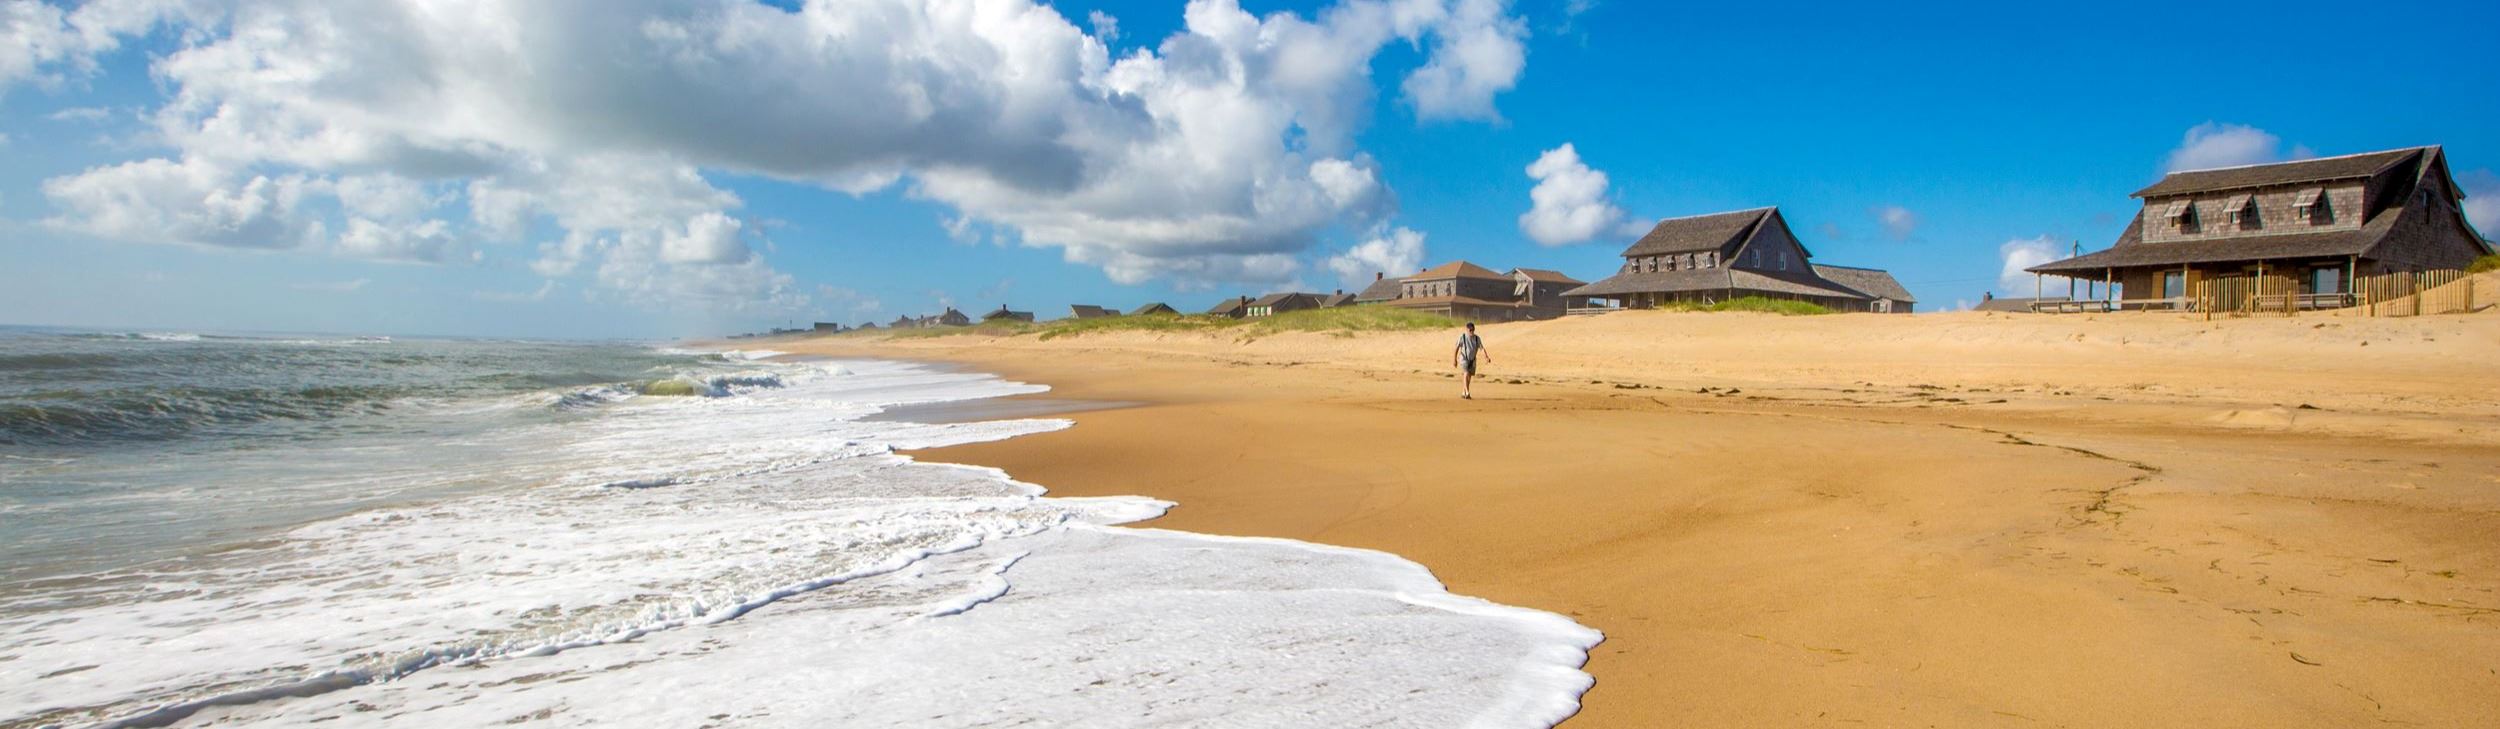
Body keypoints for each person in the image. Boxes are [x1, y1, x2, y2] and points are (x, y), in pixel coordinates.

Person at [1452, 322, 1490, 399]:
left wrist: (1486, 357)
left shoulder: (1477, 338)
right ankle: (1467, 392)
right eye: (1470, 330)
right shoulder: (1462, 337)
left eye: (1473, 330)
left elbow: (1481, 348)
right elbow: (1456, 348)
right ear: (1467, 329)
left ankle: (1464, 392)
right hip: (1464, 358)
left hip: (1472, 360)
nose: (1472, 332)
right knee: (1465, 373)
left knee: (1469, 376)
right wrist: (1454, 360)